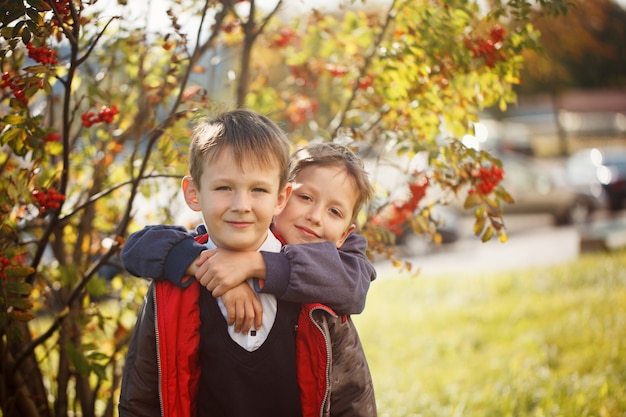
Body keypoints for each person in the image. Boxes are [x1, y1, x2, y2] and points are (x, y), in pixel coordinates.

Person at [118, 110, 376, 417]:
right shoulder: (173, 282)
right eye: (224, 188)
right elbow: (142, 397)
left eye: (258, 190)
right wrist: (208, 269)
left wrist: (254, 266)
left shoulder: (323, 284)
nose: (241, 205)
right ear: (193, 193)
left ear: (279, 197)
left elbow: (350, 399)